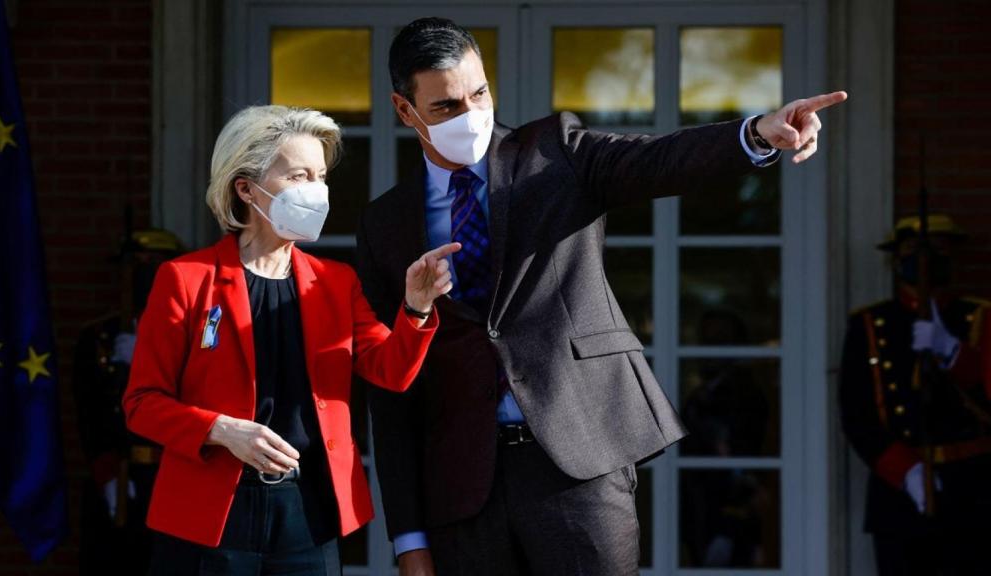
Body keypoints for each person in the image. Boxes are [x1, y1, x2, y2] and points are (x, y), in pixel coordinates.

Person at [356, 17, 846, 576]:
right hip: (461, 488)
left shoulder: (554, 152)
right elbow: (389, 392)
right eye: (446, 107)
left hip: (576, 459)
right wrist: (409, 539)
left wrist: (757, 133)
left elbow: (659, 159)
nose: (470, 115)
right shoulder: (385, 224)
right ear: (404, 110)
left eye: (480, 93)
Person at [122, 105, 459, 575]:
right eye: (299, 175)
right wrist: (222, 429)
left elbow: (392, 370)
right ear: (246, 188)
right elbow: (142, 403)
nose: (316, 191)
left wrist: (416, 307)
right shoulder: (185, 279)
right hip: (210, 514)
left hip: (308, 508)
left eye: (320, 176)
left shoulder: (335, 282)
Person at [839, 214, 991, 576]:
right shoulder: (870, 323)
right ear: (896, 260)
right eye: (912, 251)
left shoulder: (979, 317)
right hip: (901, 492)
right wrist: (905, 471)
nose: (925, 260)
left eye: (937, 250)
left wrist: (953, 352)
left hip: (974, 485)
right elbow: (857, 413)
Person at [73, 228, 184, 576]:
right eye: (138, 268)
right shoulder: (100, 337)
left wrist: (150, 363)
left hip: (174, 475)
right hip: (120, 472)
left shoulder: (191, 333)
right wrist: (107, 473)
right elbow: (89, 411)